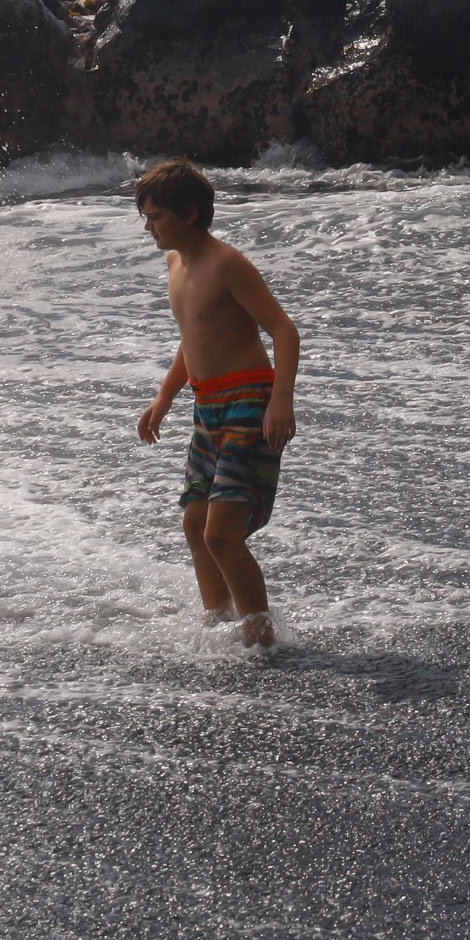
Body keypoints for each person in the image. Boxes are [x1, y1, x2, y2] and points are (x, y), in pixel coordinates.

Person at [132, 160, 301, 648]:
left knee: (222, 533)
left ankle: (260, 639)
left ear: (188, 214)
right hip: (208, 406)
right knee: (194, 521)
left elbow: (284, 331)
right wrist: (165, 396)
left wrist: (281, 402)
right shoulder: (176, 264)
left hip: (251, 401)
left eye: (156, 216)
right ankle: (219, 622)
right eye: (145, 216)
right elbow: (194, 337)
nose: (148, 227)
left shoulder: (226, 263)